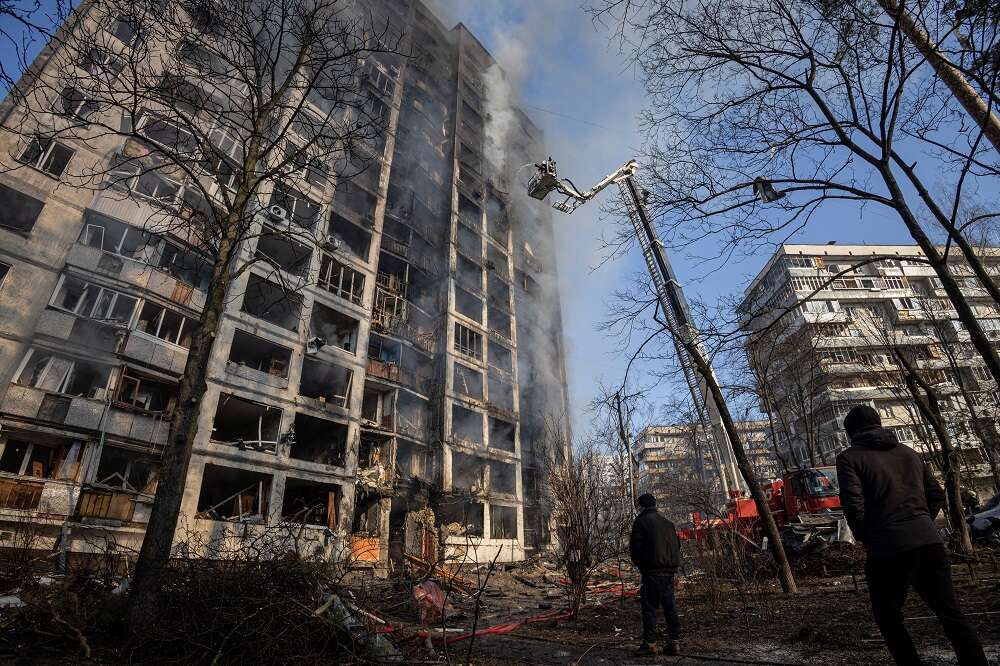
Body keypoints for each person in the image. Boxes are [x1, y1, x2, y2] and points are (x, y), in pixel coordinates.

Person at [837, 405, 987, 666]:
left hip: (888, 549)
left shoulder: (849, 458)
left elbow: (853, 505)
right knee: (950, 612)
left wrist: (868, 537)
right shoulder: (909, 453)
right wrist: (920, 521)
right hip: (929, 542)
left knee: (888, 617)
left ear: (850, 432)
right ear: (879, 423)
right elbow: (936, 494)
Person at [628, 493, 681, 656]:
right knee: (670, 607)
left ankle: (650, 644)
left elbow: (635, 549)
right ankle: (674, 642)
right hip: (669, 572)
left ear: (641, 506)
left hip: (652, 572)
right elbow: (677, 545)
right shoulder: (668, 523)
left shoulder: (641, 522)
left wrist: (643, 566)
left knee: (649, 608)